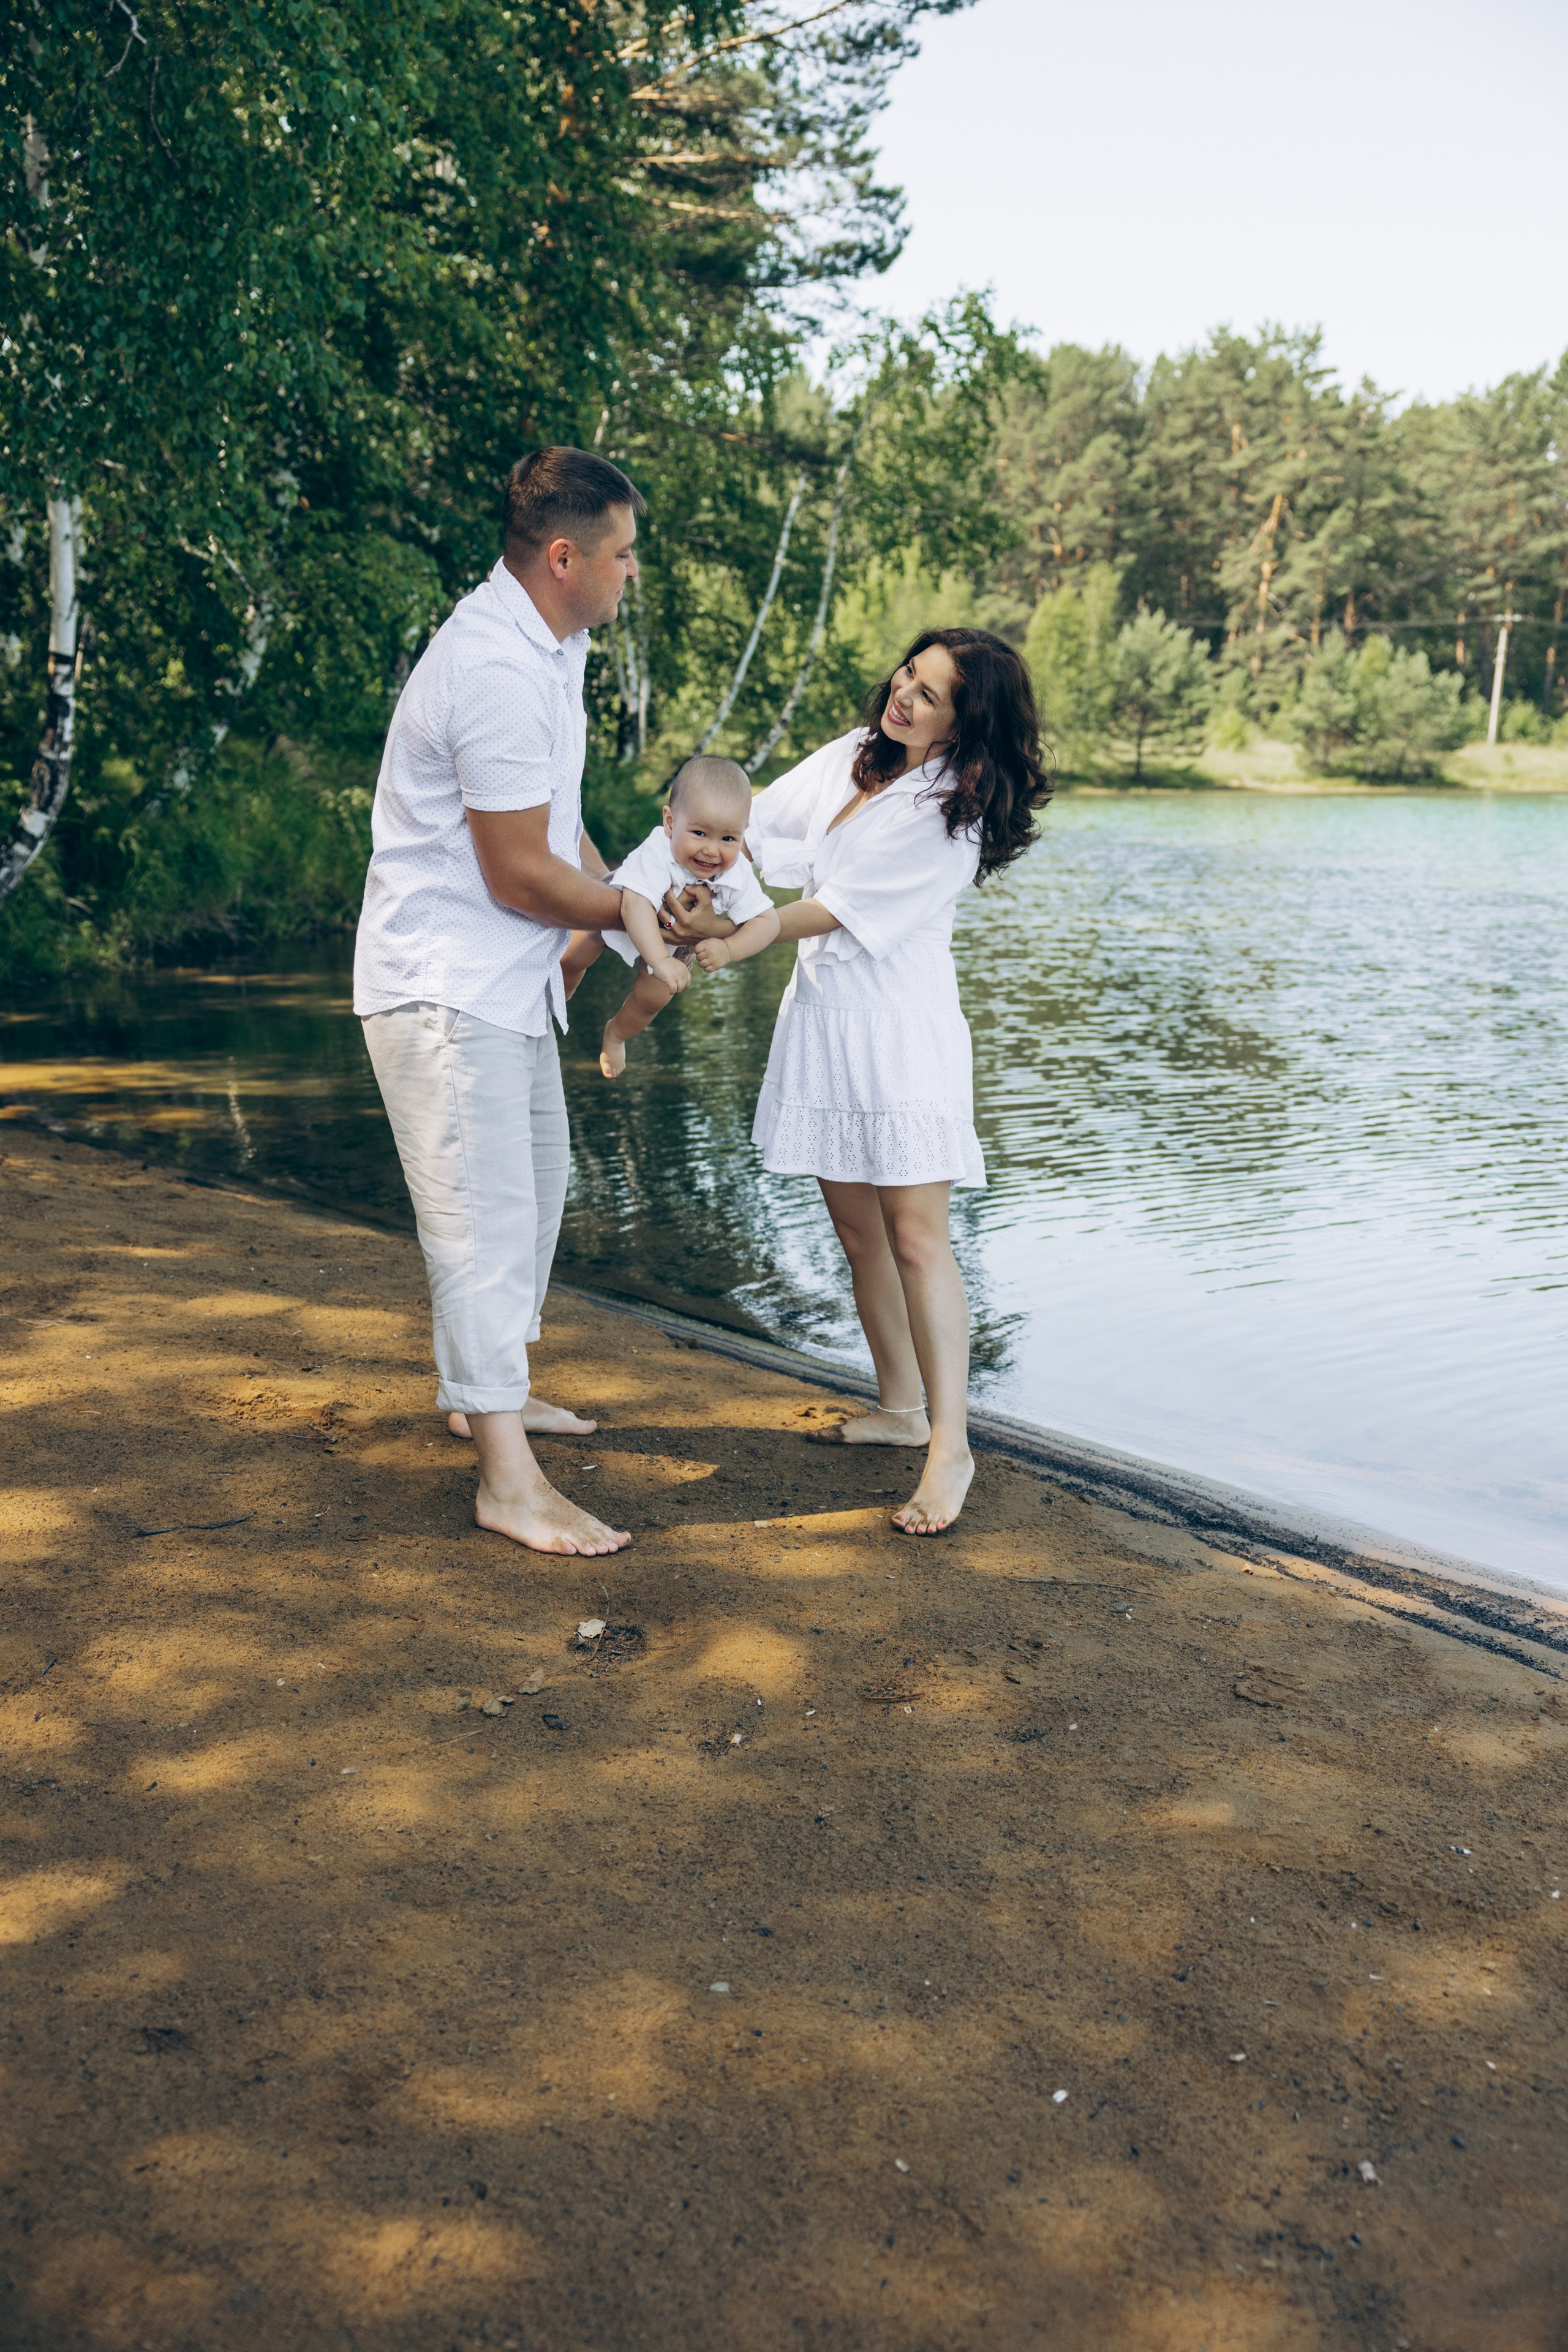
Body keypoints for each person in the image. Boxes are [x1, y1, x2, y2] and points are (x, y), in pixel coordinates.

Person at [691, 628, 1051, 1536]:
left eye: (930, 696)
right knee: (858, 1236)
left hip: (899, 1036)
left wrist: (734, 934)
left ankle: (951, 1448)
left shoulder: (952, 817)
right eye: (908, 675)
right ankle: (900, 1408)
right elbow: (751, 825)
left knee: (919, 1241)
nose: (904, 696)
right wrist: (673, 873)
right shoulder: (858, 754)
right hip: (824, 1022)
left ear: (967, 725)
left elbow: (830, 911)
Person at [353, 445, 643, 1558]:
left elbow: (554, 822)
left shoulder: (552, 648)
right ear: (565, 558)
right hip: (444, 984)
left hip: (505, 981)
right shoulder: (493, 668)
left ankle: (493, 1393)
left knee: (535, 1193)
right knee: (478, 1225)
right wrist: (634, 915)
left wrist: (637, 900)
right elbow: (519, 873)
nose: (632, 572)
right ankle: (506, 1482)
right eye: (622, 554)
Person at [560, 755, 774, 1078]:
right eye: (699, 833)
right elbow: (633, 904)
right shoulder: (658, 850)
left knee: (655, 997)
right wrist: (658, 960)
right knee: (574, 954)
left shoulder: (737, 872)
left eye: (728, 839)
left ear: (744, 833)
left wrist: (729, 949)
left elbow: (768, 922)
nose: (712, 850)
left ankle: (616, 1035)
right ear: (671, 823)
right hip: (619, 910)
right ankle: (564, 985)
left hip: (676, 942)